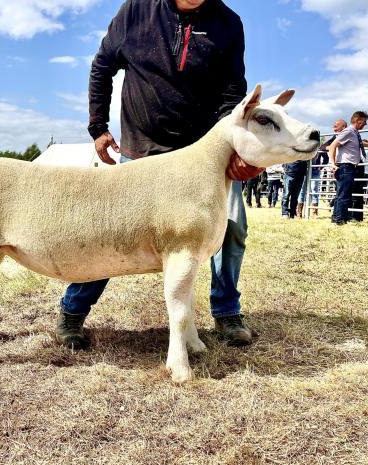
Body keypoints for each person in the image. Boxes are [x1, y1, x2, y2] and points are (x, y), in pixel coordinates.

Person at [55, 0, 262, 350]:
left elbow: (232, 92)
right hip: (142, 147)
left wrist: (234, 147)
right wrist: (98, 127)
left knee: (231, 225)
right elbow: (103, 65)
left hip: (203, 154)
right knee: (111, 230)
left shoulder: (228, 23)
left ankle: (227, 312)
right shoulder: (136, 11)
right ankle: (72, 313)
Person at [328, 111, 368, 225]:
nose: (365, 124)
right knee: (344, 194)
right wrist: (332, 163)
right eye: (364, 121)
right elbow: (333, 145)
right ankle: (339, 220)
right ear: (358, 120)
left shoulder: (353, 133)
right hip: (346, 166)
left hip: (348, 166)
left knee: (342, 194)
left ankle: (338, 218)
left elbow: (357, 143)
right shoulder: (349, 131)